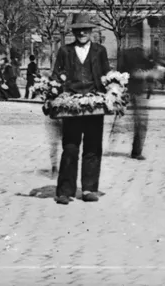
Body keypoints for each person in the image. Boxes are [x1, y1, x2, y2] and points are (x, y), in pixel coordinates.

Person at [50, 14, 111, 205]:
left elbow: (106, 75)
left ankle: (89, 188)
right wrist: (56, 91)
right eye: (78, 29)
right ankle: (65, 191)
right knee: (70, 147)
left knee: (93, 146)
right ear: (73, 32)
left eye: (85, 29)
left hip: (94, 104)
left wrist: (111, 91)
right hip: (72, 105)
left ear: (91, 31)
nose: (82, 32)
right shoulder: (65, 51)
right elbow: (56, 74)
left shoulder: (100, 51)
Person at [118, 47, 165, 161]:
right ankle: (136, 151)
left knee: (141, 121)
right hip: (133, 89)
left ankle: (137, 150)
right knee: (141, 121)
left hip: (138, 90)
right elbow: (131, 72)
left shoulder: (144, 52)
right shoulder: (132, 52)